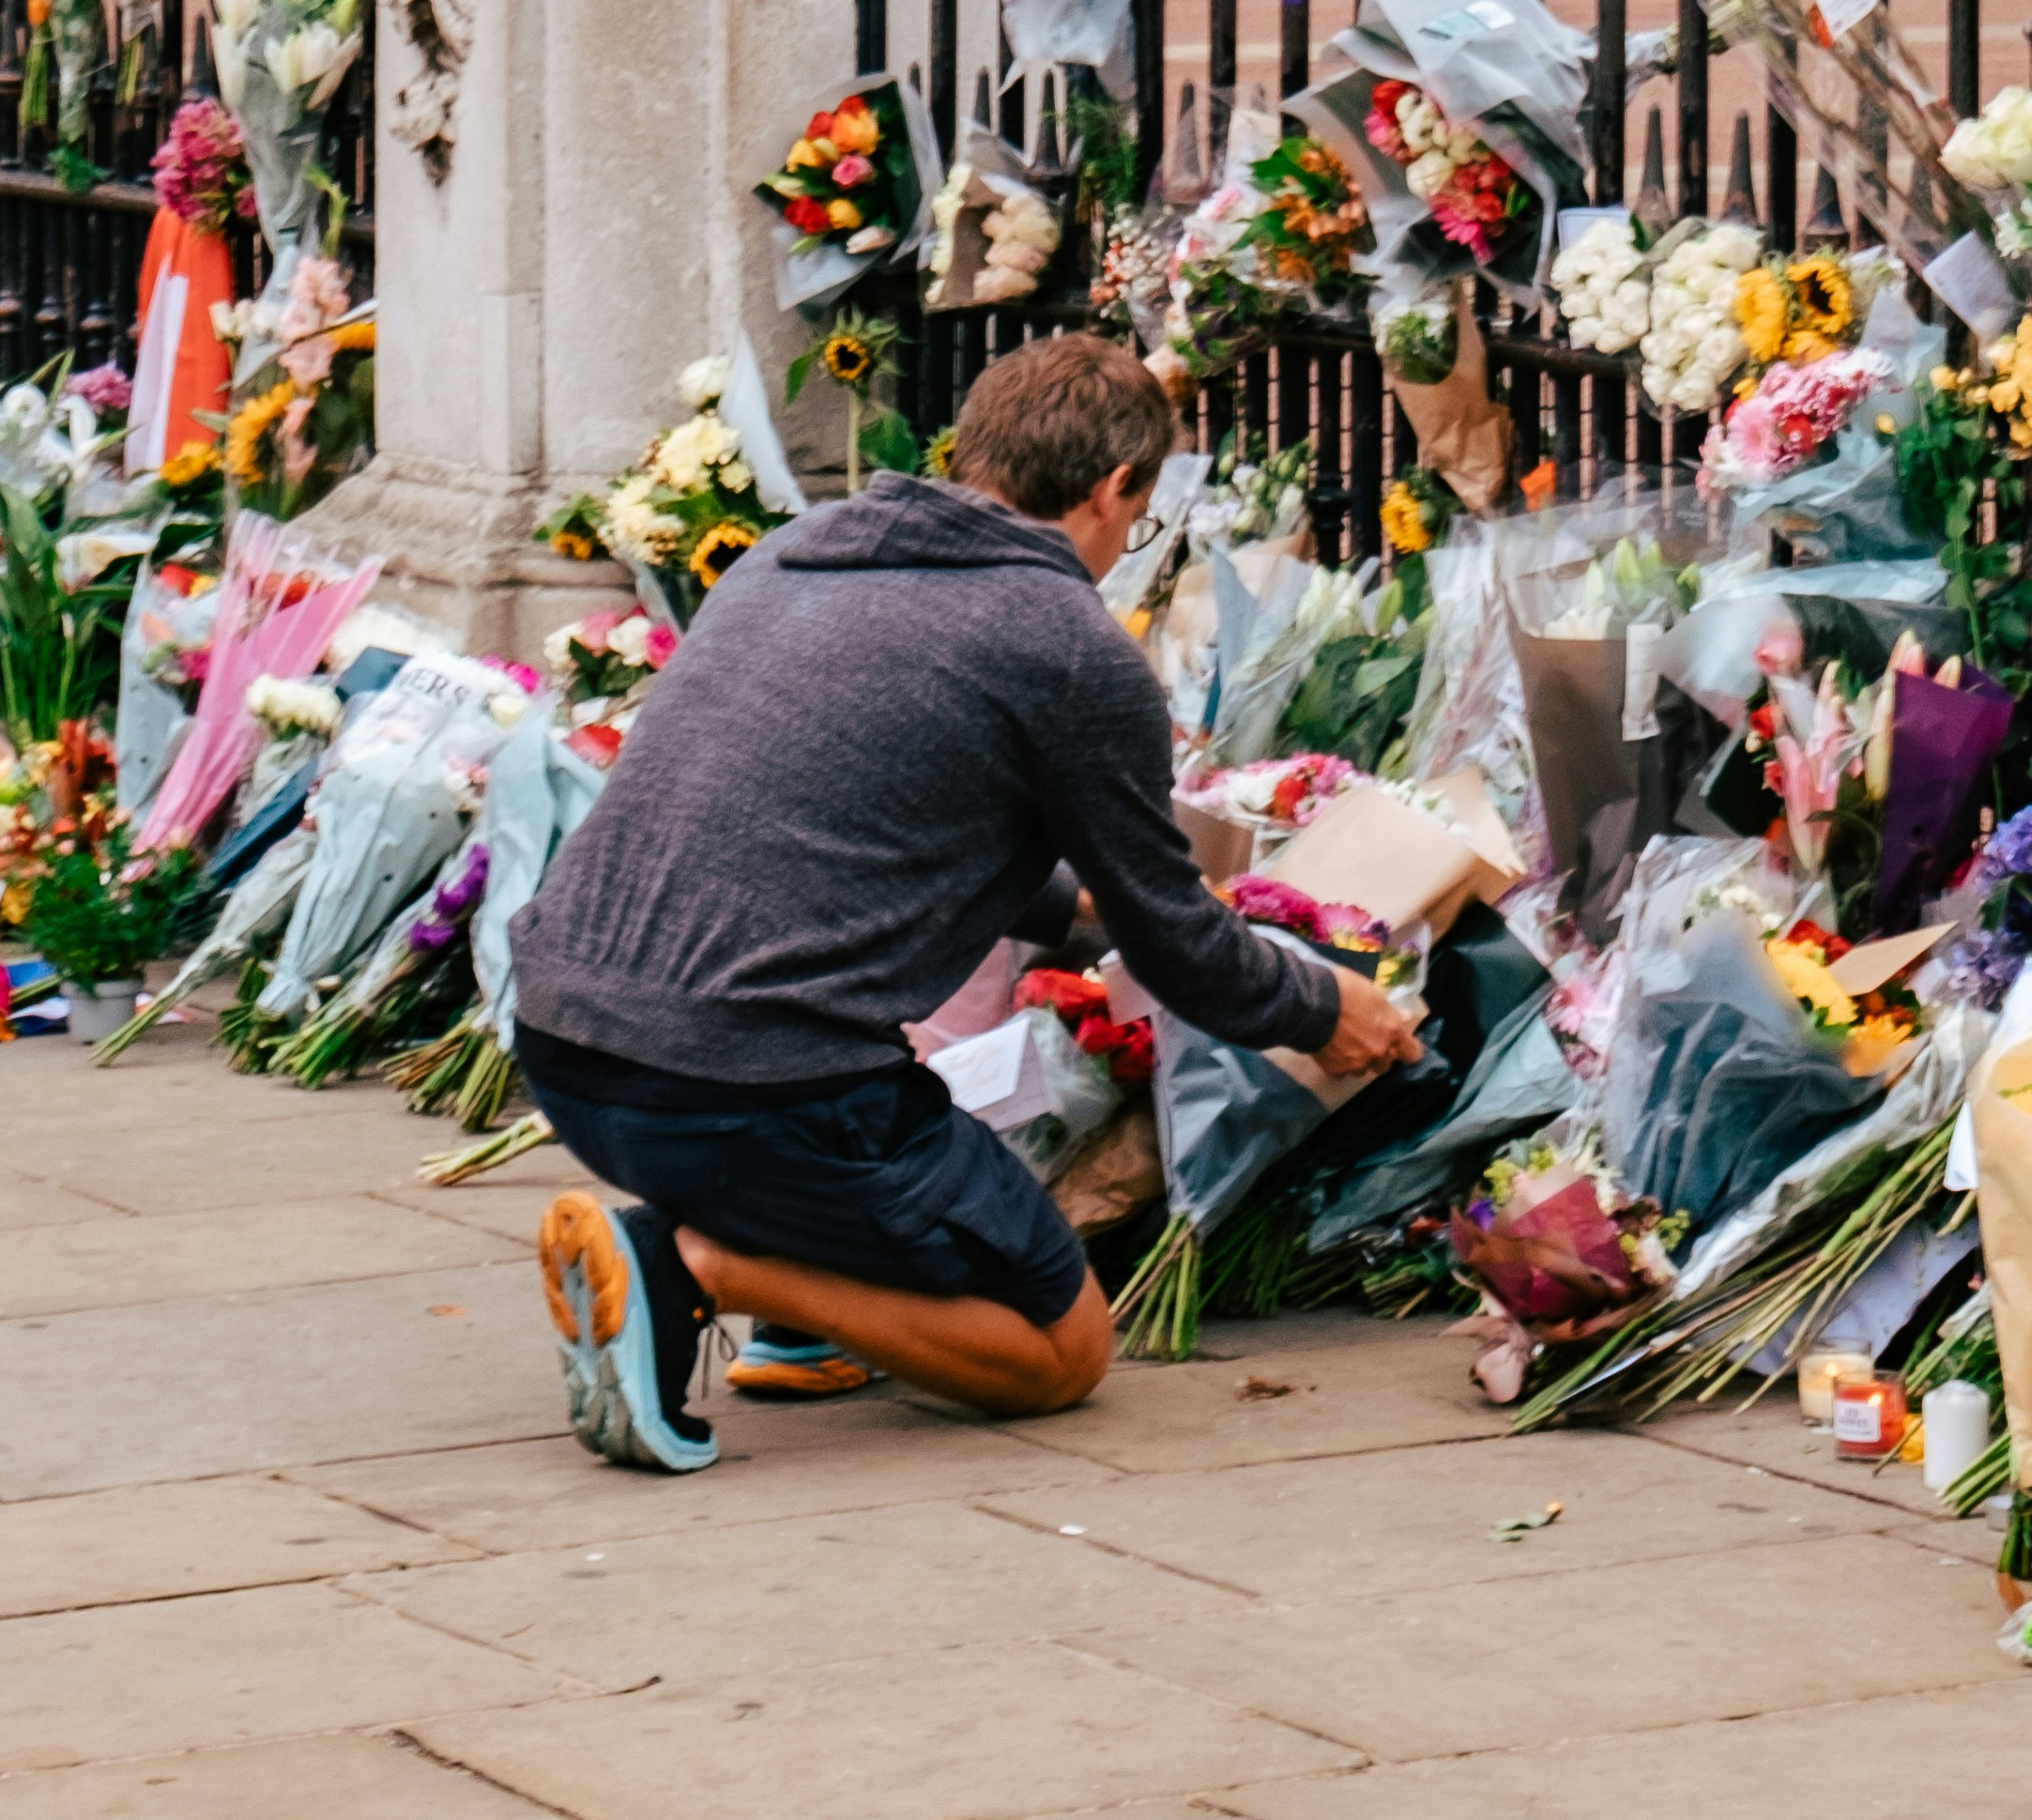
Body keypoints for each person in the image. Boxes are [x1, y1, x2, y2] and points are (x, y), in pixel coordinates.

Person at [514, 329, 1420, 1469]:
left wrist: (1078, 913)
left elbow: (863, 824)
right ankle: (695, 1266)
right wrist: (1323, 1006)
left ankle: (801, 1323)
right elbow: (1180, 950)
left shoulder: (790, 558)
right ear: (1114, 489)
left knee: (866, 1095)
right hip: (734, 1092)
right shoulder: (1066, 645)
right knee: (1060, 1350)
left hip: (564, 1046)